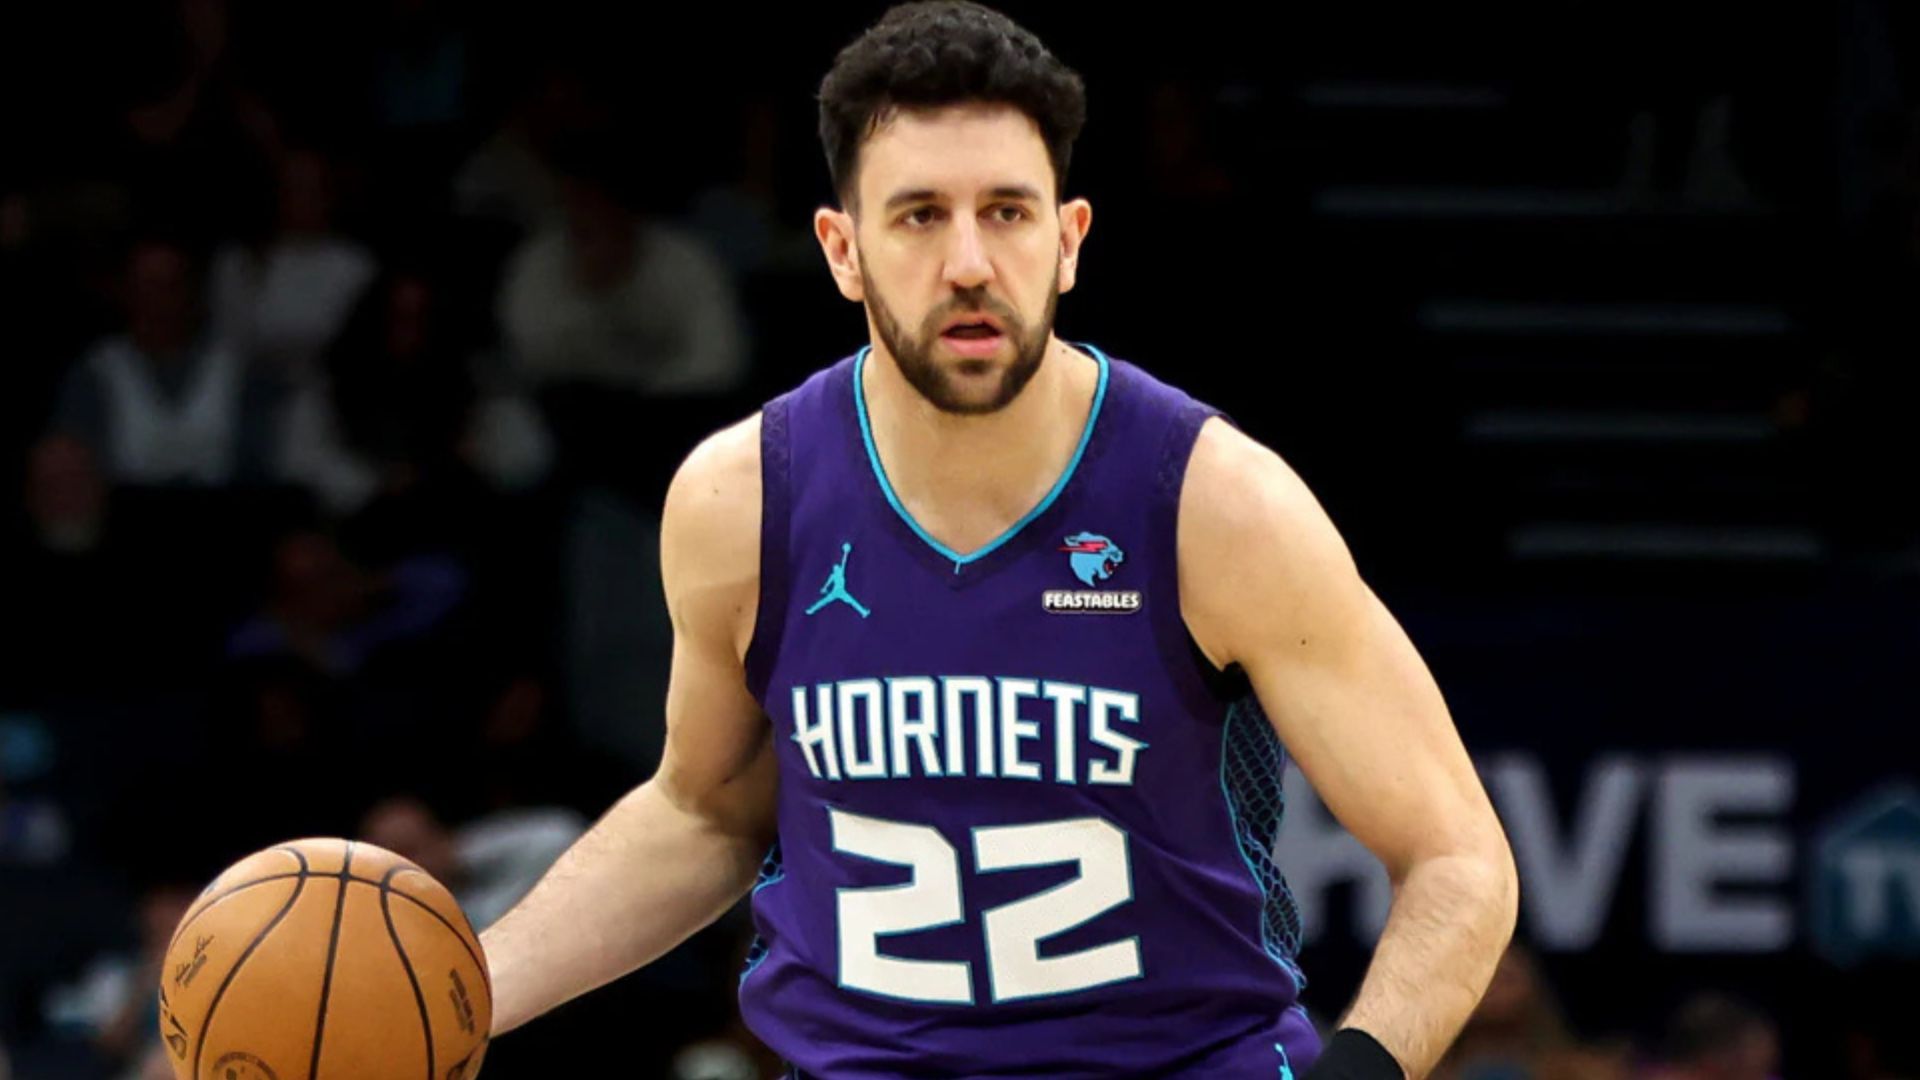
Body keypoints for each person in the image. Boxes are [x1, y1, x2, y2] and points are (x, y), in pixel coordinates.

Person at [479, 4, 1517, 1078]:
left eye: (1008, 213)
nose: (969, 262)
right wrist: (464, 995)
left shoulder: (1218, 505)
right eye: (920, 216)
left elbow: (1457, 856)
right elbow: (707, 814)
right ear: (843, 251)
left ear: (1068, 242)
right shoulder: (740, 500)